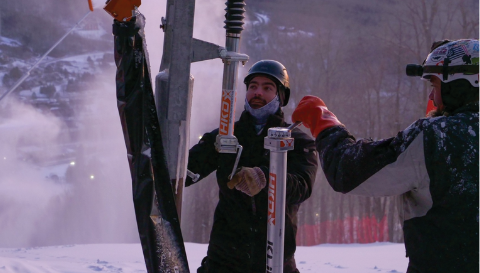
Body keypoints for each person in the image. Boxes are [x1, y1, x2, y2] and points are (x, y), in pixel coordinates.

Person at [292, 39, 478, 272]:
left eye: (435, 85)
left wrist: (325, 124)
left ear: (458, 85)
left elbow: (347, 171)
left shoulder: (435, 138)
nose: (432, 96)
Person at [185, 60, 318, 273]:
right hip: (223, 261)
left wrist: (265, 178)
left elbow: (303, 186)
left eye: (267, 88)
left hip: (274, 261)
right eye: (253, 86)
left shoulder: (298, 141)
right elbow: (182, 174)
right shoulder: (226, 136)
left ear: (281, 96)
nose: (258, 93)